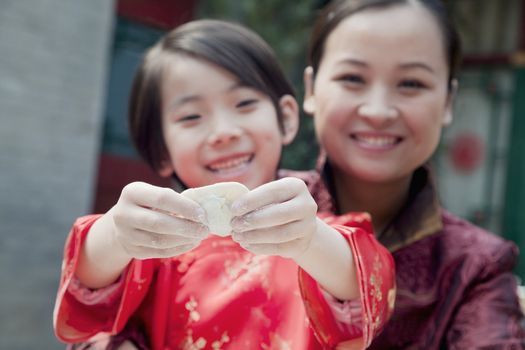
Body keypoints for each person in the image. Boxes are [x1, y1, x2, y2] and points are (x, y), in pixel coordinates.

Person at [53, 19, 395, 350]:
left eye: (244, 104)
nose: (223, 132)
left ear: (286, 119)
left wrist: (309, 240)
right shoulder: (153, 246)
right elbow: (88, 282)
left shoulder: (320, 231)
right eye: (191, 117)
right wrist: (116, 234)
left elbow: (366, 286)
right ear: (160, 151)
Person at [300, 0, 525, 348]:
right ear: (311, 89)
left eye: (411, 84)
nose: (378, 111)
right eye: (352, 78)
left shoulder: (477, 269)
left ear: (448, 101)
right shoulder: (254, 218)